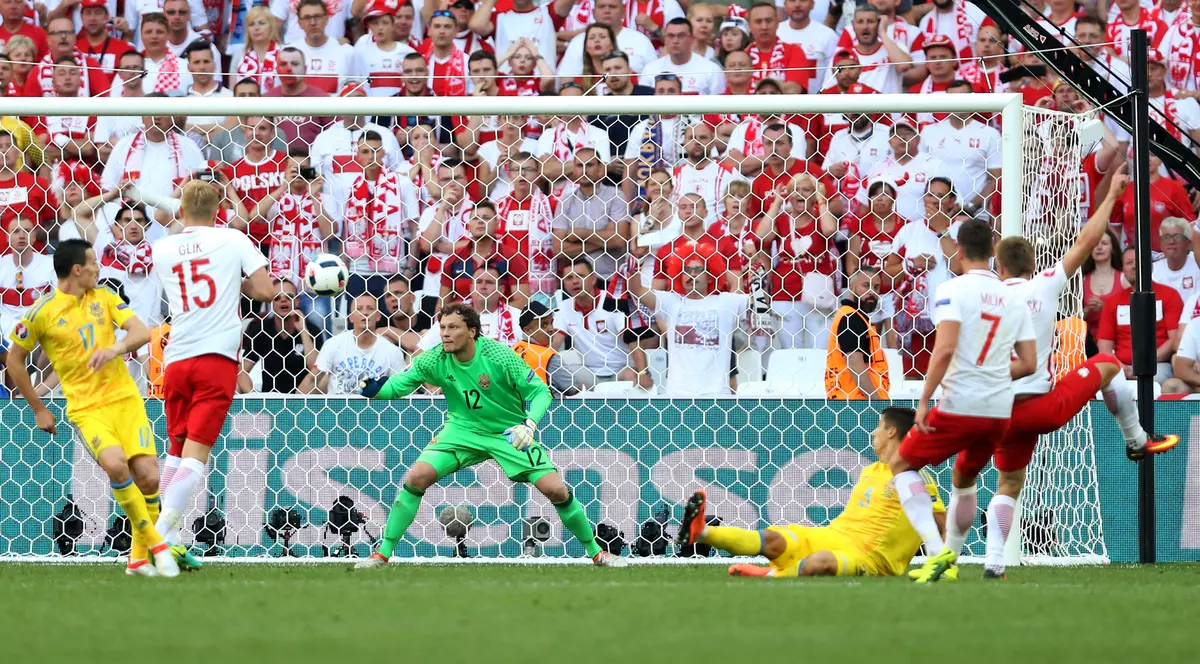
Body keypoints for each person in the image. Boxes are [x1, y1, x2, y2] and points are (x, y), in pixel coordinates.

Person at [984, 180, 1178, 580]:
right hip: (1042, 406)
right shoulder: (1045, 283)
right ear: (1031, 265)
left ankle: (993, 564)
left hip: (999, 410)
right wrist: (1109, 195)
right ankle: (1137, 439)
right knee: (1107, 362)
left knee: (1008, 485)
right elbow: (1088, 241)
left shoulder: (983, 298)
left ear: (999, 268)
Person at [355, 302, 627, 568]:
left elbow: (541, 392)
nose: (445, 333)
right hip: (462, 431)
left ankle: (597, 553)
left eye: (453, 327)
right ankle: (382, 555)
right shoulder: (434, 358)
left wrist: (529, 424)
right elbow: (396, 388)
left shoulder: (499, 356)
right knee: (417, 477)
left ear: (472, 331)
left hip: (508, 432)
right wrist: (376, 390)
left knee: (556, 490)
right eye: (442, 328)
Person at [6, 239, 179, 577]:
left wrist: (115, 349)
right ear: (77, 270)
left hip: (126, 400)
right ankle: (159, 546)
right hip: (87, 408)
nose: (99, 268)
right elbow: (14, 360)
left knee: (149, 478)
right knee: (117, 467)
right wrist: (38, 408)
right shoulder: (40, 313)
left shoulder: (106, 297)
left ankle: (137, 559)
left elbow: (141, 331)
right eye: (93, 263)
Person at [893, 218, 1037, 584]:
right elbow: (1029, 363)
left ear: (957, 251)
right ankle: (952, 561)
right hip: (998, 411)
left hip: (959, 403)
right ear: (993, 252)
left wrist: (924, 399)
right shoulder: (1014, 297)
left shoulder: (951, 290)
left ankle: (935, 548)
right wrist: (991, 375)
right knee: (964, 475)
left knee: (901, 465)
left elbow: (944, 349)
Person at [151, 180, 277, 570]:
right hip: (215, 359)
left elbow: (188, 257)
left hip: (175, 359)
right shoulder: (234, 240)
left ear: (181, 208)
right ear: (220, 207)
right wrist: (234, 282)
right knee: (197, 454)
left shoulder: (162, 248)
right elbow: (266, 291)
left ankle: (168, 540)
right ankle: (156, 538)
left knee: (175, 448)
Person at [676, 407, 949, 578]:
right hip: (835, 535)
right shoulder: (871, 470)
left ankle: (770, 574)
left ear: (891, 432)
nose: (874, 432)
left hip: (870, 558)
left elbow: (941, 526)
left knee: (820, 562)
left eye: (878, 426)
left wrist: (944, 564)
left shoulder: (916, 478)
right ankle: (701, 533)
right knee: (774, 538)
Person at [627, 250, 749, 397]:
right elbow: (638, 291)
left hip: (716, 395)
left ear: (710, 276)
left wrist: (758, 279)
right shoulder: (670, 302)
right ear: (679, 275)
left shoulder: (726, 302)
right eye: (687, 270)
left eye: (698, 269)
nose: (692, 274)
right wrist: (634, 267)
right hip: (679, 395)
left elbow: (759, 303)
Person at [1097, 246, 1183, 383]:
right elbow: (1104, 346)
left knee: (1156, 379)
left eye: (1138, 261)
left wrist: (1145, 365)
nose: (1134, 266)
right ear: (1123, 270)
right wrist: (1121, 367)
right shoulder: (1112, 302)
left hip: (1158, 365)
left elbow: (1175, 340)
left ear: (1151, 266)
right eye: (1129, 263)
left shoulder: (1170, 296)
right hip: (1120, 368)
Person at [240, 279, 323, 394]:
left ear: (297, 301)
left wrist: (303, 331)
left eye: (289, 296)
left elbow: (317, 371)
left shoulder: (312, 330)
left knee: (324, 380)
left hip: (302, 400)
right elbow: (242, 371)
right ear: (271, 302)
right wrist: (255, 398)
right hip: (270, 401)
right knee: (233, 379)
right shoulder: (261, 330)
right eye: (277, 297)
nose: (283, 300)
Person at [316, 294, 406, 394]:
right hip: (337, 408)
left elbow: (401, 389)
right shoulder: (333, 344)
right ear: (351, 318)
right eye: (359, 309)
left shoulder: (392, 352)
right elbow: (312, 379)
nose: (365, 313)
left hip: (374, 408)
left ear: (378, 316)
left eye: (370, 308)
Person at [826, 268, 889, 400]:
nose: (872, 292)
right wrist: (876, 402)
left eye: (876, 287)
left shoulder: (854, 317)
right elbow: (854, 362)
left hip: (848, 400)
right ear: (851, 287)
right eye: (866, 286)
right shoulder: (852, 318)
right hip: (856, 403)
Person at [515, 301, 575, 395]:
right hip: (549, 408)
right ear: (528, 330)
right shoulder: (549, 357)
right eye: (544, 325)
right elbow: (574, 389)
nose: (552, 329)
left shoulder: (513, 350)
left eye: (551, 323)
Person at [1081, 229, 1123, 348]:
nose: (1099, 247)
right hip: (1087, 343)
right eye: (1095, 244)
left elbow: (1130, 316)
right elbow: (1073, 318)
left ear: (1113, 249)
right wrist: (1087, 309)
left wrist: (1106, 309)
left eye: (1104, 243)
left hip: (1117, 342)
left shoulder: (1123, 279)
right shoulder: (1082, 280)